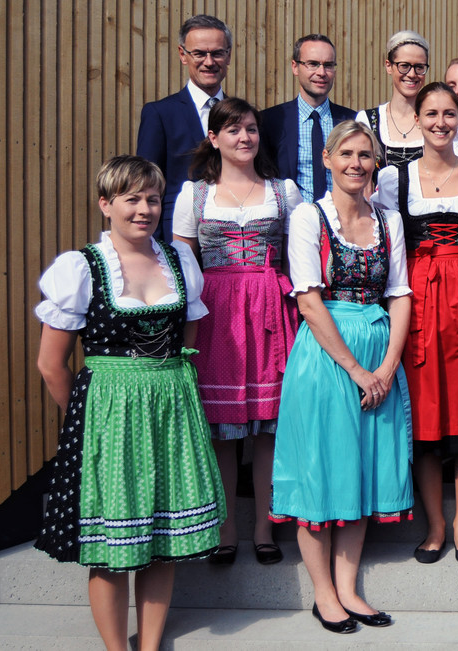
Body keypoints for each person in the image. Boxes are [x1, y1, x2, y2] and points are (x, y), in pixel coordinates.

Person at [35, 155, 226, 651]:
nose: (144, 209)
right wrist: (85, 421)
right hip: (108, 414)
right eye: (132, 199)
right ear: (106, 204)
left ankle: (150, 644)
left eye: (153, 199)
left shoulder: (179, 261)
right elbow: (51, 365)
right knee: (111, 548)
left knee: (162, 539)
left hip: (170, 408)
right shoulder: (81, 267)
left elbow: (186, 343)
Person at [270, 120, 413, 635]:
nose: (356, 163)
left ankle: (349, 589)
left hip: (378, 350)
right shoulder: (308, 217)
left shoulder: (389, 220)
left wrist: (387, 367)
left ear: (375, 163)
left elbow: (400, 294)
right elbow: (309, 301)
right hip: (328, 356)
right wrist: (356, 370)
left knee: (362, 470)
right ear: (327, 159)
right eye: (346, 154)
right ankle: (324, 594)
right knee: (321, 470)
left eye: (365, 155)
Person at [373, 83, 458, 565]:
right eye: (431, 114)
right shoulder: (393, 179)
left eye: (449, 113)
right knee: (424, 415)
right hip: (418, 300)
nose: (441, 122)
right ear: (417, 119)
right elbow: (388, 247)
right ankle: (435, 524)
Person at [172, 97, 302, 566]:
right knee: (222, 431)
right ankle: (226, 529)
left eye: (250, 128)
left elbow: (298, 257)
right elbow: (183, 266)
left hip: (271, 310)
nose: (244, 137)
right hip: (217, 316)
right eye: (232, 129)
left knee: (268, 429)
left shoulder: (284, 191)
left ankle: (264, 527)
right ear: (213, 138)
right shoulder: (193, 195)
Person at [137, 15, 233, 241]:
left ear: (228, 55)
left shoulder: (243, 117)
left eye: (217, 53)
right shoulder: (160, 114)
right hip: (175, 236)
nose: (209, 62)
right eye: (199, 53)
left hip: (232, 239)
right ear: (183, 55)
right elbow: (146, 184)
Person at [262, 34, 357, 203]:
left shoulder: (351, 121)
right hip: (290, 217)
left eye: (328, 65)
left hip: (339, 216)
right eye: (313, 64)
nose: (321, 73)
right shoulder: (270, 121)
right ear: (295, 67)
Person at [356, 30, 435, 171]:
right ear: (389, 66)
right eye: (404, 66)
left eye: (419, 67)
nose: (412, 74)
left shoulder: (435, 121)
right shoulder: (368, 121)